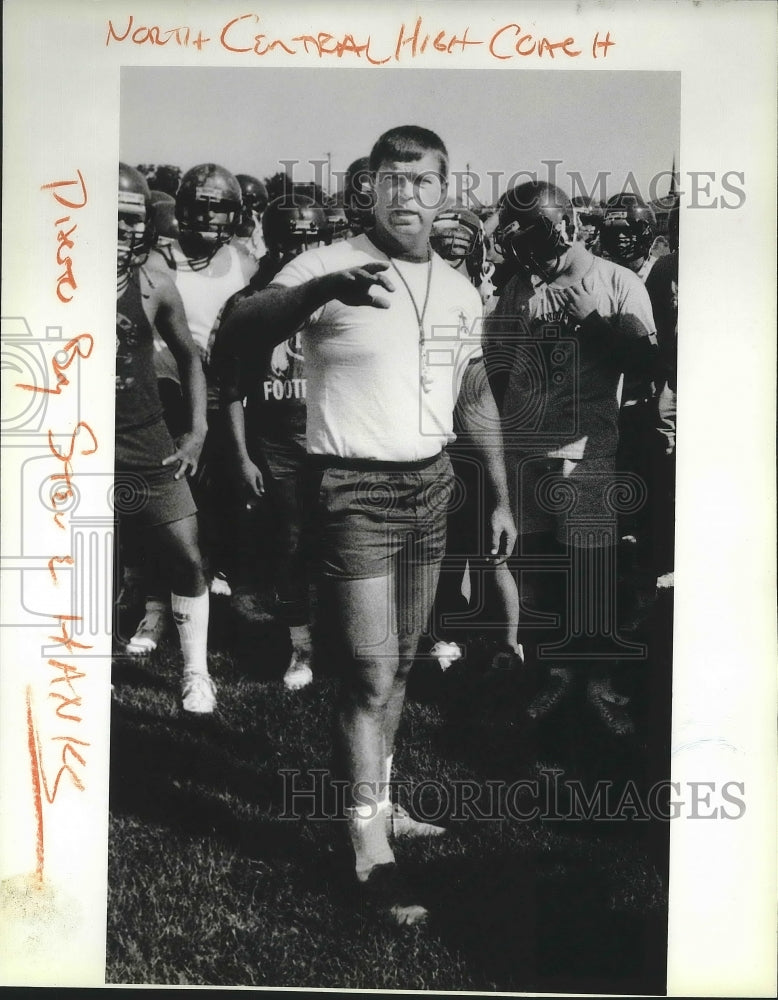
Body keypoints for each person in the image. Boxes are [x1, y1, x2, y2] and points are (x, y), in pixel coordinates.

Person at [221, 125, 515, 926]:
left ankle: (379, 801)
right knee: (369, 675)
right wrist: (320, 293)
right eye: (393, 179)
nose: (408, 195)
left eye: (422, 182)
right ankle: (368, 849)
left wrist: (498, 494)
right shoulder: (325, 263)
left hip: (431, 485)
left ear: (444, 190)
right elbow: (241, 328)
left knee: (406, 664)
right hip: (348, 487)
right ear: (371, 189)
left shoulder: (459, 287)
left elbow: (475, 394)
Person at [486, 180, 657, 736]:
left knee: (591, 571)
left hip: (586, 448)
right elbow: (497, 366)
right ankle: (558, 672)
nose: (520, 253)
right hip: (524, 444)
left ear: (558, 228)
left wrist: (589, 321)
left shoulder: (617, 281)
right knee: (537, 568)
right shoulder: (518, 286)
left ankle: (599, 680)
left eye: (527, 238)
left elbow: (649, 362)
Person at [215, 194, 330, 691]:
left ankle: (343, 639)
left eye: (310, 240)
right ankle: (301, 644)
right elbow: (231, 389)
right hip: (277, 441)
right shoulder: (245, 302)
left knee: (341, 544)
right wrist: (241, 456)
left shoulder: (340, 292)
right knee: (287, 544)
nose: (299, 251)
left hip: (335, 437)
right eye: (292, 240)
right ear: (272, 240)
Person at [114, 163, 216, 713]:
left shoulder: (153, 283)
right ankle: (86, 666)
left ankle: (196, 671)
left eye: (132, 218)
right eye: (111, 218)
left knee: (185, 553)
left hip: (146, 434)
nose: (124, 230)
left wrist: (196, 430)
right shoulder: (47, 272)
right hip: (79, 438)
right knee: (84, 561)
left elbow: (190, 357)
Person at [429, 204, 523, 669]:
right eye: (443, 248)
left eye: (459, 250)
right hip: (435, 429)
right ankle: (444, 626)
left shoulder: (488, 297)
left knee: (481, 538)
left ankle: (492, 633)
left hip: (480, 427)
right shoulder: (422, 291)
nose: (451, 257)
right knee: (443, 539)